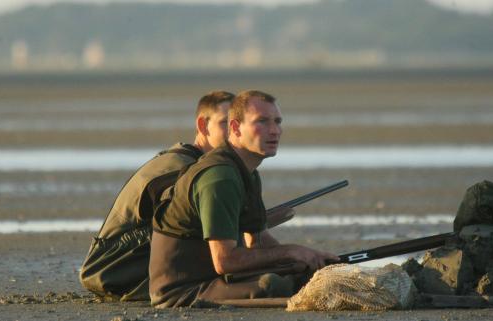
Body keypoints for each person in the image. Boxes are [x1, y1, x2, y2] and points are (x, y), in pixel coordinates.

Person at [149, 90, 339, 308]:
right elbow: (224, 261)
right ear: (236, 127)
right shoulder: (219, 177)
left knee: (303, 275)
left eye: (278, 121)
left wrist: (307, 258)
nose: (275, 131)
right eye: (262, 121)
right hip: (182, 290)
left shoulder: (247, 171)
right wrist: (290, 251)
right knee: (273, 286)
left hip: (214, 278)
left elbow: (258, 241)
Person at [79, 91, 235, 301]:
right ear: (203, 126)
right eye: (225, 123)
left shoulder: (195, 162)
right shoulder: (182, 169)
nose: (234, 131)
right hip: (111, 267)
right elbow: (184, 229)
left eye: (238, 123)